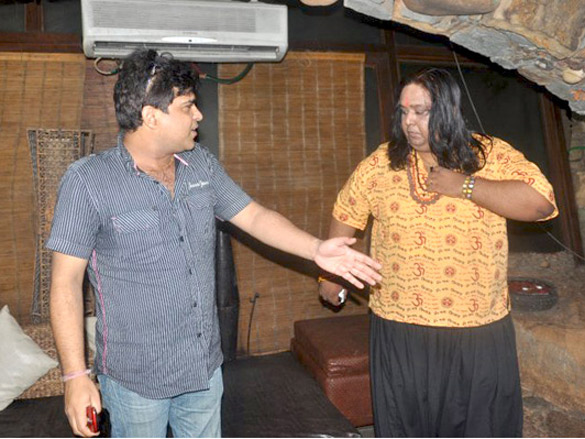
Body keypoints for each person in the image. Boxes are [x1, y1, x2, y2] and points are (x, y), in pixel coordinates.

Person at [48, 49, 382, 438]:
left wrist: (316, 249)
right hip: (135, 380)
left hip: (203, 369)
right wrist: (75, 376)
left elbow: (254, 216)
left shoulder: (201, 165)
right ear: (151, 116)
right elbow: (66, 282)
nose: (198, 116)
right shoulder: (88, 181)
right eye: (187, 106)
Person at [319, 67, 558, 437]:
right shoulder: (381, 163)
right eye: (403, 112)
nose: (409, 122)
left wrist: (466, 186)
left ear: (449, 109)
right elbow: (346, 212)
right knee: (406, 426)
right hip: (400, 328)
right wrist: (330, 276)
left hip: (475, 330)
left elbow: (541, 204)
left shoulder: (489, 155)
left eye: (421, 112)